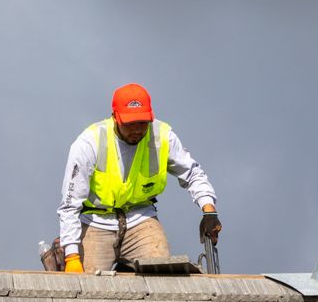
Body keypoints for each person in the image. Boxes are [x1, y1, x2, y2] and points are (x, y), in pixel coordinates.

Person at [58, 83, 220, 274]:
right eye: (130, 123)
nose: (136, 129)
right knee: (86, 288)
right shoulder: (89, 143)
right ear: (115, 118)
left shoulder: (163, 136)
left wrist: (209, 210)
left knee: (161, 276)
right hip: (95, 221)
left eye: (142, 123)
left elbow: (193, 174)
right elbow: (70, 205)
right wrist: (72, 256)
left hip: (141, 219)